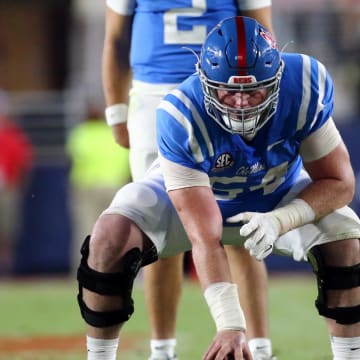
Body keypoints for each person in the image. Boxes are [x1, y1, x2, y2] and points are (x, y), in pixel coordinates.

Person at [78, 16, 360, 360]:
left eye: (253, 90)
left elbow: (340, 183)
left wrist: (282, 220)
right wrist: (230, 325)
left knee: (346, 236)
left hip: (276, 193)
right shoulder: (181, 113)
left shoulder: (303, 85)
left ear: (277, 80)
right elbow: (203, 236)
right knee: (110, 233)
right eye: (229, 91)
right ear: (205, 80)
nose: (241, 104)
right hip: (206, 199)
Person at [102, 1, 275, 359]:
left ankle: (258, 347)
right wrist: (117, 110)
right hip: (156, 96)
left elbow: (263, 39)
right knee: (157, 228)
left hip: (227, 94)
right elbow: (117, 39)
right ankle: (162, 350)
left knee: (243, 226)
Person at [66, 105, 131, 273]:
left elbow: (75, 156)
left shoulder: (81, 132)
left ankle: (83, 269)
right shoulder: (115, 132)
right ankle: (117, 270)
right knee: (116, 231)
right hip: (114, 186)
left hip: (87, 185)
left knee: (86, 229)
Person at [0, 90, 33, 275]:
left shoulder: (13, 134)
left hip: (7, 190)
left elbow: (23, 161)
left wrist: (18, 184)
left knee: (7, 232)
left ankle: (5, 271)